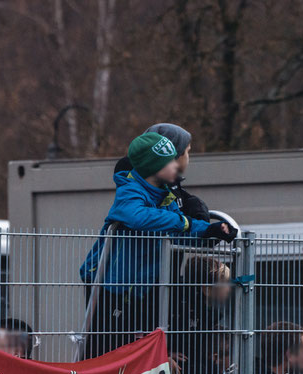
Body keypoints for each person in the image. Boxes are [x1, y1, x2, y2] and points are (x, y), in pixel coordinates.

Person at [79, 132, 237, 359]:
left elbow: (180, 232)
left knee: (132, 352)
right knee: (104, 352)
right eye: (169, 161)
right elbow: (135, 216)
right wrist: (182, 221)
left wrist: (209, 231)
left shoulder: (165, 197)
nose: (177, 165)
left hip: (137, 289)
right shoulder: (130, 189)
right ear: (154, 167)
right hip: (110, 287)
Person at [114, 123, 210, 222]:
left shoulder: (166, 185)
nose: (188, 157)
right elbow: (137, 215)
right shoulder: (135, 189)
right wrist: (186, 224)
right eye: (187, 151)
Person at [171, 257, 234, 374]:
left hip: (198, 370)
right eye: (224, 283)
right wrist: (164, 355)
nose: (229, 289)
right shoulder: (180, 307)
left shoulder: (212, 314)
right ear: (207, 289)